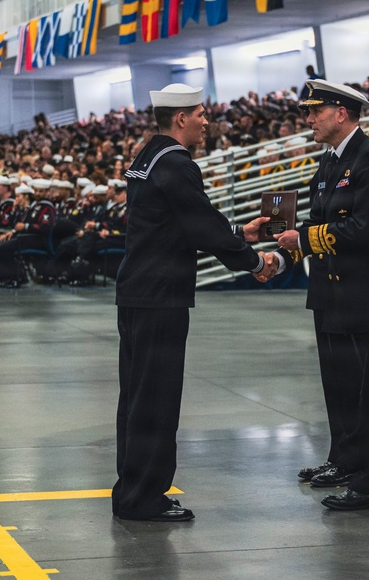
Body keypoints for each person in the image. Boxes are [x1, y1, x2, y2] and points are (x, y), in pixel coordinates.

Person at [113, 83, 276, 522]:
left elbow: (180, 225)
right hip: (161, 296)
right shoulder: (178, 164)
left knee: (136, 396)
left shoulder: (147, 157)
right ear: (181, 117)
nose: (206, 120)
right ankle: (143, 497)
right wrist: (255, 261)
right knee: (157, 399)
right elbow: (199, 225)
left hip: (138, 292)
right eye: (201, 113)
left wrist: (239, 234)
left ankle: (132, 488)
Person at [274, 80, 369, 510]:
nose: (309, 119)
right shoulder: (331, 163)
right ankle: (346, 458)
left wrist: (306, 239)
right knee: (339, 385)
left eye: (316, 111)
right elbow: (321, 219)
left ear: (341, 113)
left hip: (364, 292)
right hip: (331, 292)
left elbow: (367, 229)